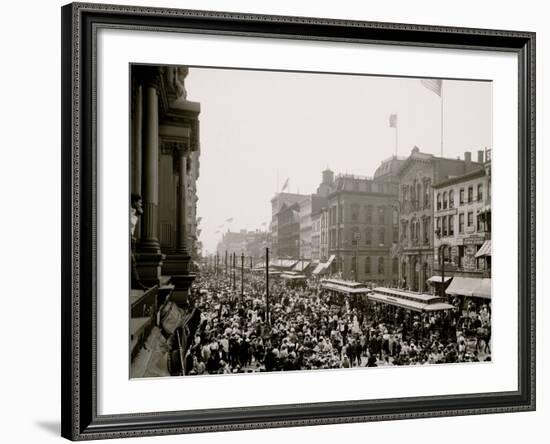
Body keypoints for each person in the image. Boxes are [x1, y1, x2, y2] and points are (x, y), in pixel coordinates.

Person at [130, 194, 147, 290]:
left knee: (132, 260)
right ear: (134, 202)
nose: (141, 204)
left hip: (130, 240)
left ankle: (135, 282)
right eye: (139, 202)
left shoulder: (133, 212)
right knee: (131, 260)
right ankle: (136, 283)